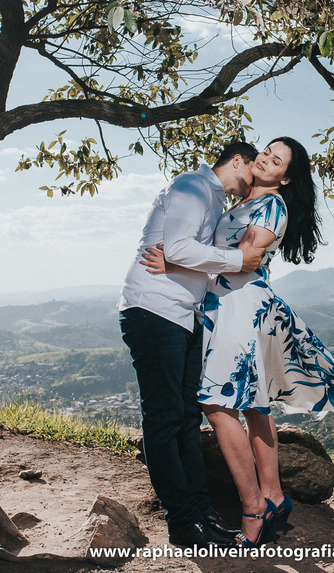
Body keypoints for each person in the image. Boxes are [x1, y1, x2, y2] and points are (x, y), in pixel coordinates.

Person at [143, 137, 334, 547]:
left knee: (215, 403)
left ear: (285, 178)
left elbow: (243, 260)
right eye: (266, 150)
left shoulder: (271, 206)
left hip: (240, 307)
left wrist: (172, 260)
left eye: (277, 159)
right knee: (253, 404)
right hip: (227, 305)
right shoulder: (244, 204)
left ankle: (253, 506)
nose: (265, 157)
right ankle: (275, 496)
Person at [117, 141, 264, 548]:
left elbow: (181, 254)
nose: (254, 180)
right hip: (154, 310)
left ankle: (201, 514)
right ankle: (182, 522)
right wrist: (239, 260)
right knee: (165, 418)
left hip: (184, 314)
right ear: (239, 161)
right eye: (254, 169)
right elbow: (179, 247)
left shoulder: (213, 200)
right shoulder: (192, 187)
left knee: (185, 416)